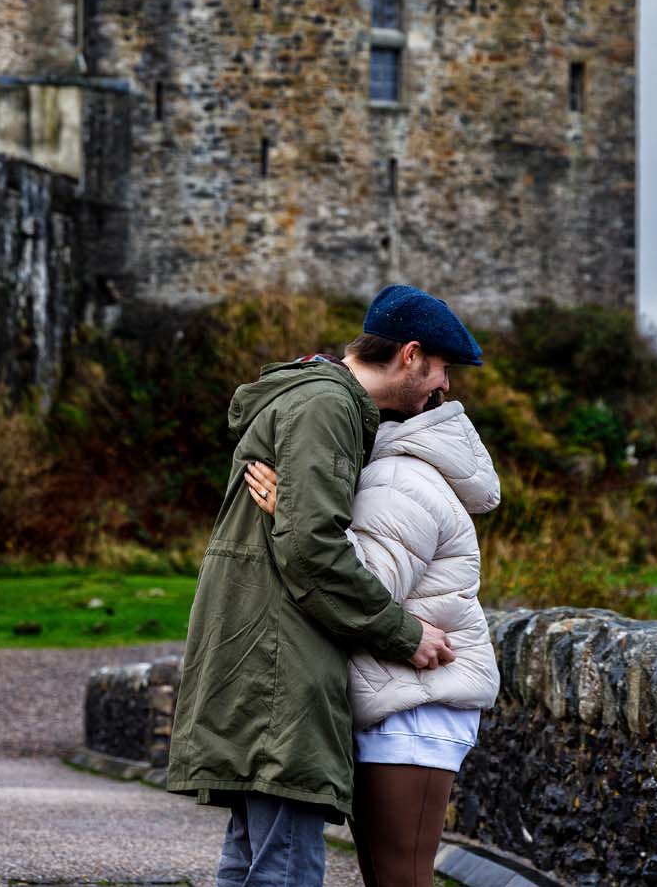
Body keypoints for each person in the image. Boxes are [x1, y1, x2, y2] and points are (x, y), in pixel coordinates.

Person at [166, 285, 484, 886]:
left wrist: (291, 515)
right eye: (444, 368)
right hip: (282, 661)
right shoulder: (327, 406)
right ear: (411, 355)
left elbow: (304, 536)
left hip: (260, 649)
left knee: (251, 860)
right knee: (283, 866)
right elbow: (313, 551)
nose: (445, 385)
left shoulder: (315, 399)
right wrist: (404, 633)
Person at [244, 392, 502, 886]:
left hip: (413, 708)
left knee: (400, 878)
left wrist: (294, 516)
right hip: (402, 701)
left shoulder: (397, 478)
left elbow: (368, 590)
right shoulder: (398, 472)